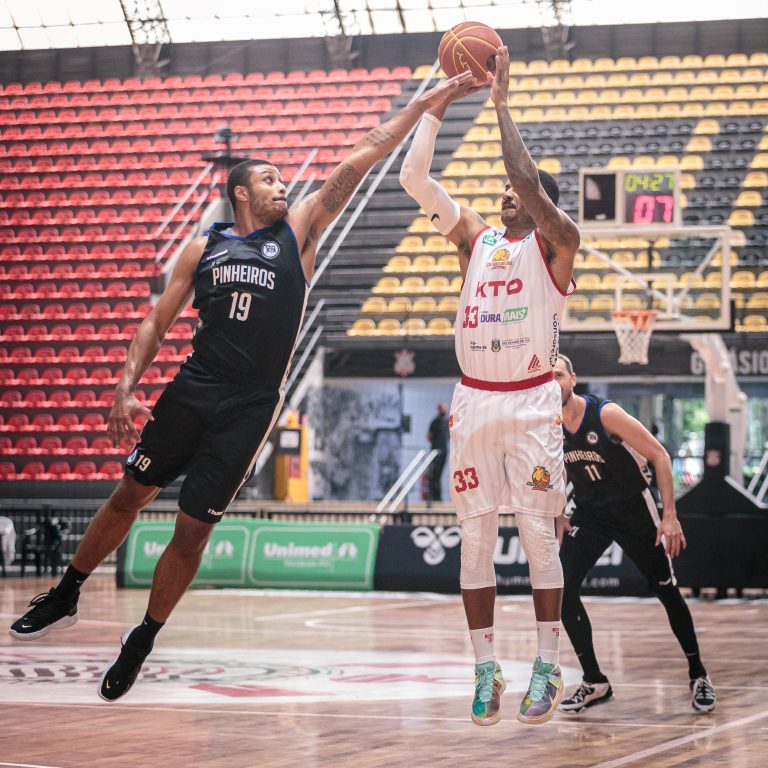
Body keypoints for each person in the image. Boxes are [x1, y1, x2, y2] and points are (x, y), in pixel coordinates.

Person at [8, 69, 479, 702]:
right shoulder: (202, 248)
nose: (284, 186)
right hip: (194, 386)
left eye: (283, 179)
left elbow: (365, 151)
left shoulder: (300, 229)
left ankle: (141, 640)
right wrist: (124, 387)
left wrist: (433, 98)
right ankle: (66, 593)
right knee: (128, 493)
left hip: (251, 406)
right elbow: (155, 322)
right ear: (240, 192)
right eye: (270, 179)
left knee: (191, 530)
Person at [400, 46, 579, 726]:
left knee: (536, 535)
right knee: (474, 540)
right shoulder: (477, 240)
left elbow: (526, 179)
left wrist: (500, 103)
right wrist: (438, 104)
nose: (506, 192)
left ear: (540, 204)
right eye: (503, 189)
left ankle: (547, 666)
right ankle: (485, 668)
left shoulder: (557, 242)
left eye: (516, 189)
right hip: (474, 398)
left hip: (532, 402)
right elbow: (414, 177)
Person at [553, 354, 716, 714]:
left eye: (558, 375)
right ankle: (594, 681)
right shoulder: (548, 423)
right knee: (561, 589)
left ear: (573, 379)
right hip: (591, 514)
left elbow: (660, 456)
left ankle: (698, 673)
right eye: (546, 378)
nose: (553, 383)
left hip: (633, 510)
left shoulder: (606, 415)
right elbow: (557, 467)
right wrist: (559, 511)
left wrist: (669, 516)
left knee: (665, 589)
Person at [427, 403, 449, 504]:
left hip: (444, 452)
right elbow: (429, 436)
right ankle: (434, 498)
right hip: (435, 452)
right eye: (443, 409)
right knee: (433, 475)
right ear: (439, 409)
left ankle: (438, 498)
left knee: (438, 476)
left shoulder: (447, 422)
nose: (444, 410)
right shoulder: (434, 422)